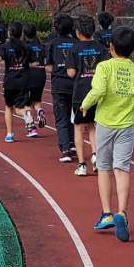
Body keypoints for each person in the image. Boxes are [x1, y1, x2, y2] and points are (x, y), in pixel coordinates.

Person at [81, 25, 134, 242]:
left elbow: (99, 90)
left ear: (110, 47)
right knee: (122, 168)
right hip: (126, 125)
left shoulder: (104, 67)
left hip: (105, 123)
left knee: (103, 168)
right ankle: (122, 211)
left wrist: (85, 105)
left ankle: (106, 213)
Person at [67, 14, 107, 175]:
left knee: (78, 127)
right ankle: (96, 157)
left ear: (77, 32)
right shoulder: (101, 48)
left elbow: (71, 72)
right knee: (93, 126)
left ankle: (82, 164)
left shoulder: (74, 49)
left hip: (80, 93)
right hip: (97, 93)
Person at [0, 21, 35, 142]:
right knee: (20, 106)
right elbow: (33, 63)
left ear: (9, 33)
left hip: (10, 81)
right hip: (24, 80)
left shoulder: (4, 47)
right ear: (21, 33)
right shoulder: (26, 47)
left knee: (8, 107)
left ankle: (10, 134)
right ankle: (25, 114)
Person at [45, 14, 78, 162]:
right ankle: (72, 144)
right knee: (73, 116)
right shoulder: (76, 43)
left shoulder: (52, 43)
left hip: (59, 84)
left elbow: (49, 67)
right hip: (75, 85)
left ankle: (65, 149)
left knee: (61, 117)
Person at [24, 23, 48, 131]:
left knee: (26, 103)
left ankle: (31, 127)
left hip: (29, 77)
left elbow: (23, 63)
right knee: (37, 100)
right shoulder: (42, 47)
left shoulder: (25, 47)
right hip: (41, 76)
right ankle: (39, 111)